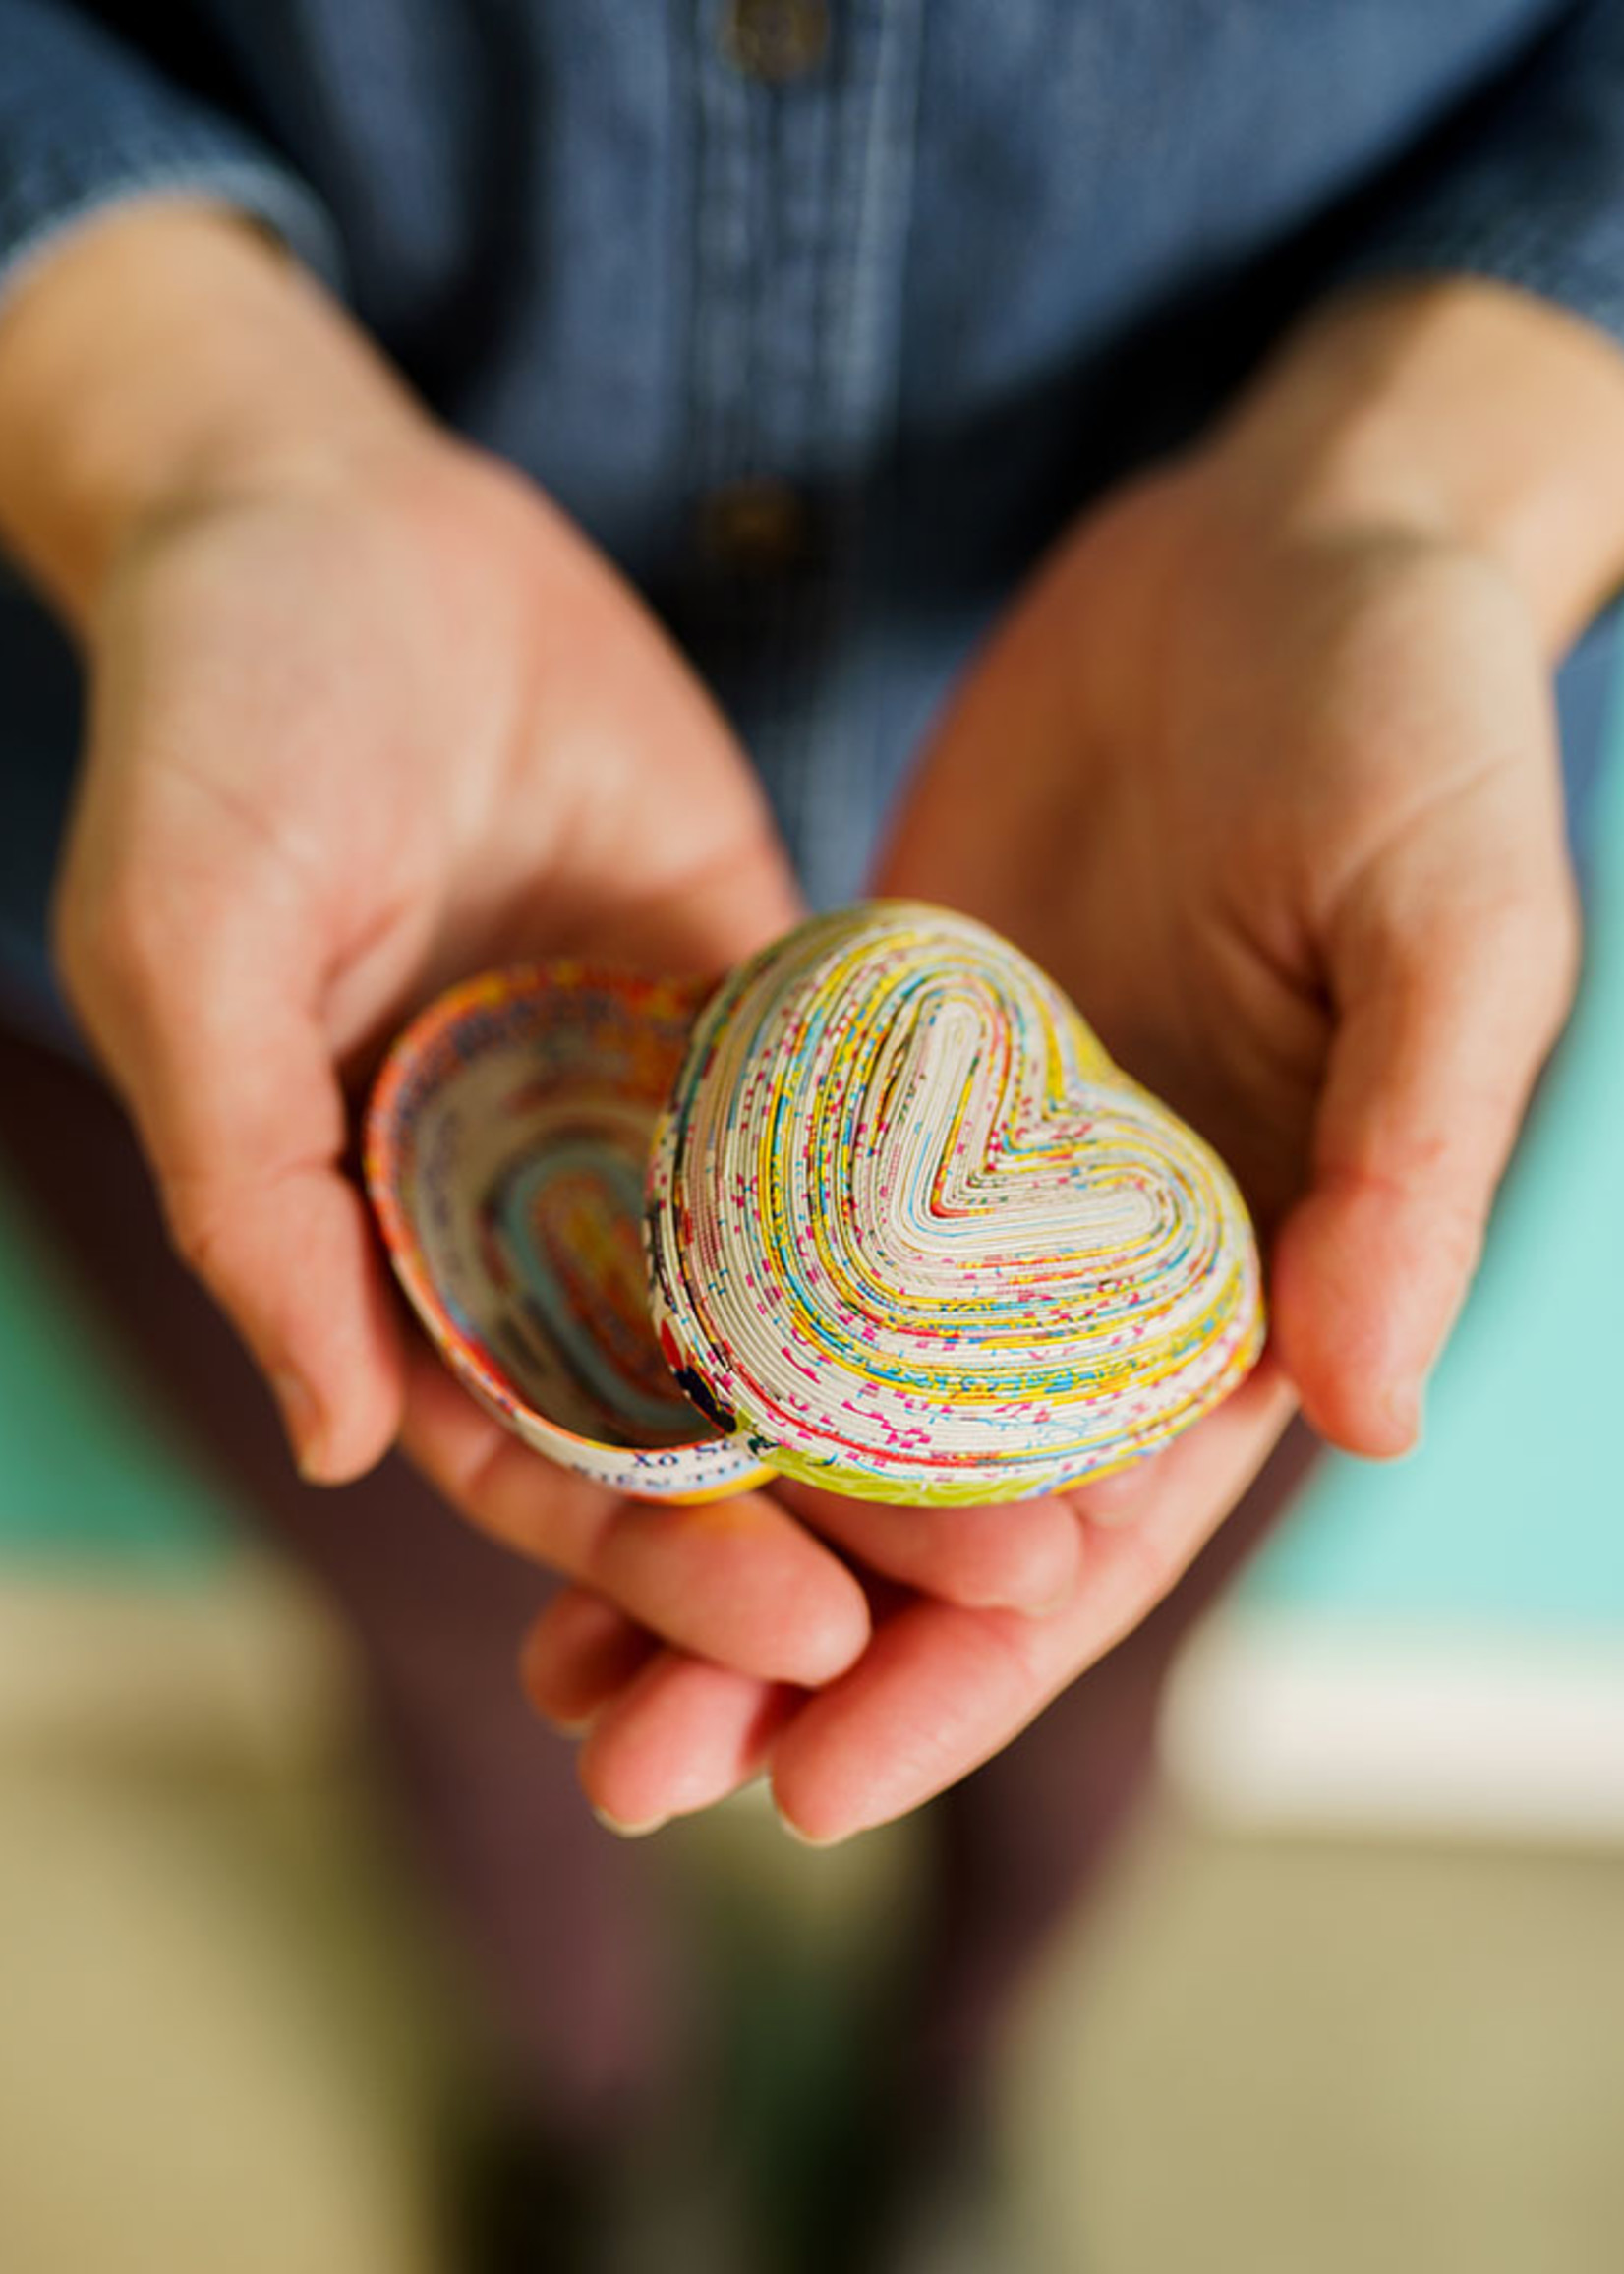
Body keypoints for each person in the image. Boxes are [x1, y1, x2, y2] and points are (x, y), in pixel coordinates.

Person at [1, 0, 1623, 2248]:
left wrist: (1438, 471)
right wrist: (166, 424)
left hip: (1291, 903)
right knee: (464, 1677)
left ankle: (948, 2085)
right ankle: (592, 2112)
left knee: (1075, 1665)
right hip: (288, 905)